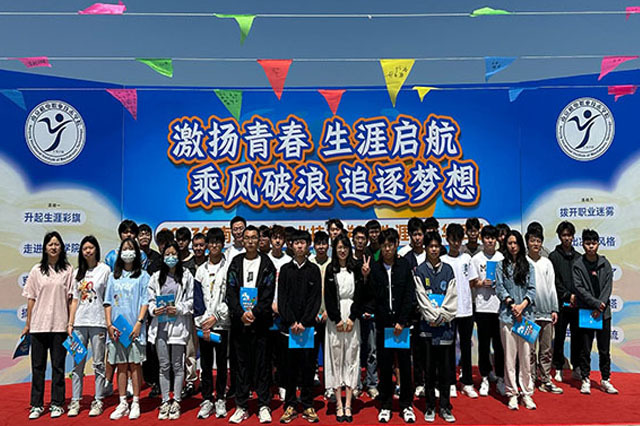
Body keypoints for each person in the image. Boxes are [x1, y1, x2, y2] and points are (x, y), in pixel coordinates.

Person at [226, 225, 276, 424]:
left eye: (254, 237)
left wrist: (254, 312)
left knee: (262, 365)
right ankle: (241, 406)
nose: (250, 241)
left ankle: (263, 405)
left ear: (259, 240)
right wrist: (240, 314)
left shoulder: (266, 263)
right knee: (241, 365)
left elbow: (268, 292)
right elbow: (230, 291)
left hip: (260, 323)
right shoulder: (236, 262)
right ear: (242, 240)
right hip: (240, 324)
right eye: (247, 238)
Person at [22, 231, 74, 419]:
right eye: (50, 244)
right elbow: (31, 299)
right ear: (44, 248)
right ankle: (36, 405)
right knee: (38, 367)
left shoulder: (68, 270)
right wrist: (28, 324)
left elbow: (71, 299)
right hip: (38, 326)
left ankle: (57, 403)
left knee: (59, 367)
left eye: (56, 244)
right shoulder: (37, 270)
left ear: (62, 247)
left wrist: (70, 323)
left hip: (59, 325)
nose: (53, 247)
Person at [367, 228, 416, 423]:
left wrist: (402, 321)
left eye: (390, 245)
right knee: (385, 367)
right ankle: (386, 404)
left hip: (402, 326)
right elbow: (372, 296)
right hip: (384, 326)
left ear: (396, 245)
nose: (387, 249)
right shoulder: (375, 268)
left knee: (404, 366)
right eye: (384, 245)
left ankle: (406, 404)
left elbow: (409, 295)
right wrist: (365, 277)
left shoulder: (404, 265)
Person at [278, 230, 322, 424]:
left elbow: (315, 300)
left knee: (308, 367)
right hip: (289, 329)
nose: (299, 246)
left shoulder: (314, 270)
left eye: (303, 242)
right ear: (291, 246)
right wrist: (291, 322)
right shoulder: (285, 270)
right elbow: (282, 299)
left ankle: (308, 404)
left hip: (308, 328)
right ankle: (290, 404)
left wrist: (304, 322)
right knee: (289, 367)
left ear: (308, 245)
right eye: (296, 243)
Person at [104, 238, 150, 420]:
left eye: (131, 248)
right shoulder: (113, 276)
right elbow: (107, 302)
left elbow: (146, 301)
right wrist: (109, 324)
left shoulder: (143, 276)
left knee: (135, 365)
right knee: (121, 366)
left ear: (137, 253)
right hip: (117, 329)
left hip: (135, 329)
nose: (127, 252)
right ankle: (122, 402)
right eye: (124, 249)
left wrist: (139, 323)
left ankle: (136, 401)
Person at [148, 242, 194, 420]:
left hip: (178, 326)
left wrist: (179, 309)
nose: (171, 257)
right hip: (161, 327)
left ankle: (177, 401)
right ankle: (165, 401)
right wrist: (154, 309)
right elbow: (150, 299)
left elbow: (191, 301)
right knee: (164, 366)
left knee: (177, 365)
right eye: (167, 254)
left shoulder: (186, 275)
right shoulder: (156, 276)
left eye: (174, 254)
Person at [414, 232, 458, 423]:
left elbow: (452, 297)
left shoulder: (448, 270)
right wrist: (432, 317)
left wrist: (441, 316)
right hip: (427, 328)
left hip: (445, 328)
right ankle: (430, 406)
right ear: (425, 248)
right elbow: (421, 298)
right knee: (429, 369)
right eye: (430, 246)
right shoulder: (420, 271)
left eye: (436, 246)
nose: (433, 249)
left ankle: (445, 407)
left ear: (441, 248)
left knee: (446, 370)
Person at [67, 236, 111, 417]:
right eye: (84, 248)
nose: (88, 251)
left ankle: (98, 399)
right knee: (77, 364)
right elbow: (74, 300)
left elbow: (108, 298)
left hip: (98, 323)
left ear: (96, 249)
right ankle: (75, 401)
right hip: (79, 323)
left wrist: (108, 322)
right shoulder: (77, 272)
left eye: (91, 247)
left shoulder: (105, 270)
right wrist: (70, 323)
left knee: (99, 363)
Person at [324, 234, 365, 423]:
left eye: (345, 247)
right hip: (335, 319)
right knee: (335, 358)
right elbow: (328, 296)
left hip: (352, 317)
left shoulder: (356, 268)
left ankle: (348, 402)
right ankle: (338, 403)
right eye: (339, 247)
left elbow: (360, 295)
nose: (342, 251)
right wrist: (337, 318)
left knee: (351, 356)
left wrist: (352, 317)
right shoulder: (330, 269)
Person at [573, 229, 618, 395]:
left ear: (598, 244)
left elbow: (608, 286)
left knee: (604, 349)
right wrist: (595, 304)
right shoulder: (578, 265)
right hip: (587, 312)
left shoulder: (605, 264)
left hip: (603, 313)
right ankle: (585, 379)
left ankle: (605, 379)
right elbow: (579, 288)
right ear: (582, 244)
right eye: (587, 243)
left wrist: (601, 305)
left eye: (593, 243)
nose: (591, 246)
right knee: (585, 348)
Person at [495, 230, 537, 410]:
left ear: (520, 245)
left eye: (515, 243)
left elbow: (532, 290)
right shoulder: (501, 266)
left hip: (526, 318)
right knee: (509, 358)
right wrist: (512, 305)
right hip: (507, 317)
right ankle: (512, 393)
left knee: (526, 357)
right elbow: (499, 288)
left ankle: (527, 393)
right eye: (509, 243)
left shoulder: (529, 266)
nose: (513, 246)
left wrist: (522, 306)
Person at [195, 228, 231, 419]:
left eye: (218, 242)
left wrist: (216, 317)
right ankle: (207, 398)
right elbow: (197, 300)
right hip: (204, 326)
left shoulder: (229, 267)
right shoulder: (200, 270)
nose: (214, 245)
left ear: (223, 244)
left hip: (222, 323)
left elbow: (231, 296)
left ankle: (221, 398)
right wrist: (203, 322)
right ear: (207, 245)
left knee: (222, 363)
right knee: (206, 363)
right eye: (211, 242)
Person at [441, 223, 479, 399]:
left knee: (466, 347)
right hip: (449, 311)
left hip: (466, 310)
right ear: (447, 239)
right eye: (453, 240)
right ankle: (450, 382)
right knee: (448, 348)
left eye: (458, 240)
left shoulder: (467, 259)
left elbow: (472, 281)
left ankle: (467, 382)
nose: (456, 243)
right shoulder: (443, 260)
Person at [470, 225, 506, 397]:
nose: (490, 241)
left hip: (499, 308)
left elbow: (507, 281)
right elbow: (471, 282)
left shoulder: (501, 258)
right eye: (487, 238)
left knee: (499, 345)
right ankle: (484, 377)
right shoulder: (476, 259)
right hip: (482, 307)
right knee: (484, 345)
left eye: (493, 238)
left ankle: (500, 378)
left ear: (496, 240)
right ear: (482, 239)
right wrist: (481, 283)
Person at [526, 226, 562, 394]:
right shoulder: (522, 262)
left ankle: (546, 379)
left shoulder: (547, 263)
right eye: (532, 240)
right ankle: (530, 379)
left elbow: (551, 287)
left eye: (538, 241)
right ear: (527, 242)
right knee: (530, 350)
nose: (536, 244)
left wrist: (554, 309)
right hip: (528, 314)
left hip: (546, 312)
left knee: (546, 349)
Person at [549, 221, 582, 382]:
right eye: (564, 235)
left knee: (577, 337)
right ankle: (558, 367)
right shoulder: (553, 257)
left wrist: (577, 296)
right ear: (559, 236)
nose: (567, 238)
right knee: (559, 337)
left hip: (577, 305)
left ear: (573, 237)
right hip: (560, 304)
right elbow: (554, 281)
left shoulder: (579, 257)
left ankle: (576, 367)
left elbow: (582, 281)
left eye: (569, 235)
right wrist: (568, 295)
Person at [400, 218, 427, 398]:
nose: (417, 238)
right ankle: (415, 382)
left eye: (420, 234)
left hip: (429, 309)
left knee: (427, 349)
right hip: (410, 310)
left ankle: (428, 382)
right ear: (409, 235)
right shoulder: (404, 256)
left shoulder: (431, 254)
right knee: (412, 349)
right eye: (414, 234)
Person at [267, 224, 292, 400]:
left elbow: (291, 290)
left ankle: (283, 384)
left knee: (284, 353)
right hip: (267, 312)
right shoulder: (264, 259)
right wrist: (269, 305)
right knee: (267, 353)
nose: (277, 241)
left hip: (284, 314)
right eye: (274, 237)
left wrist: (282, 307)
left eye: (280, 238)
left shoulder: (289, 261)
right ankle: (267, 385)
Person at [309, 230, 331, 399]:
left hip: (329, 315)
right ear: (314, 246)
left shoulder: (333, 264)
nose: (321, 247)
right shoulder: (309, 263)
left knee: (329, 353)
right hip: (311, 315)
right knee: (310, 352)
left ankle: (329, 386)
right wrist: (313, 311)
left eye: (324, 243)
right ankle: (310, 381)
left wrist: (328, 311)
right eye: (318, 244)